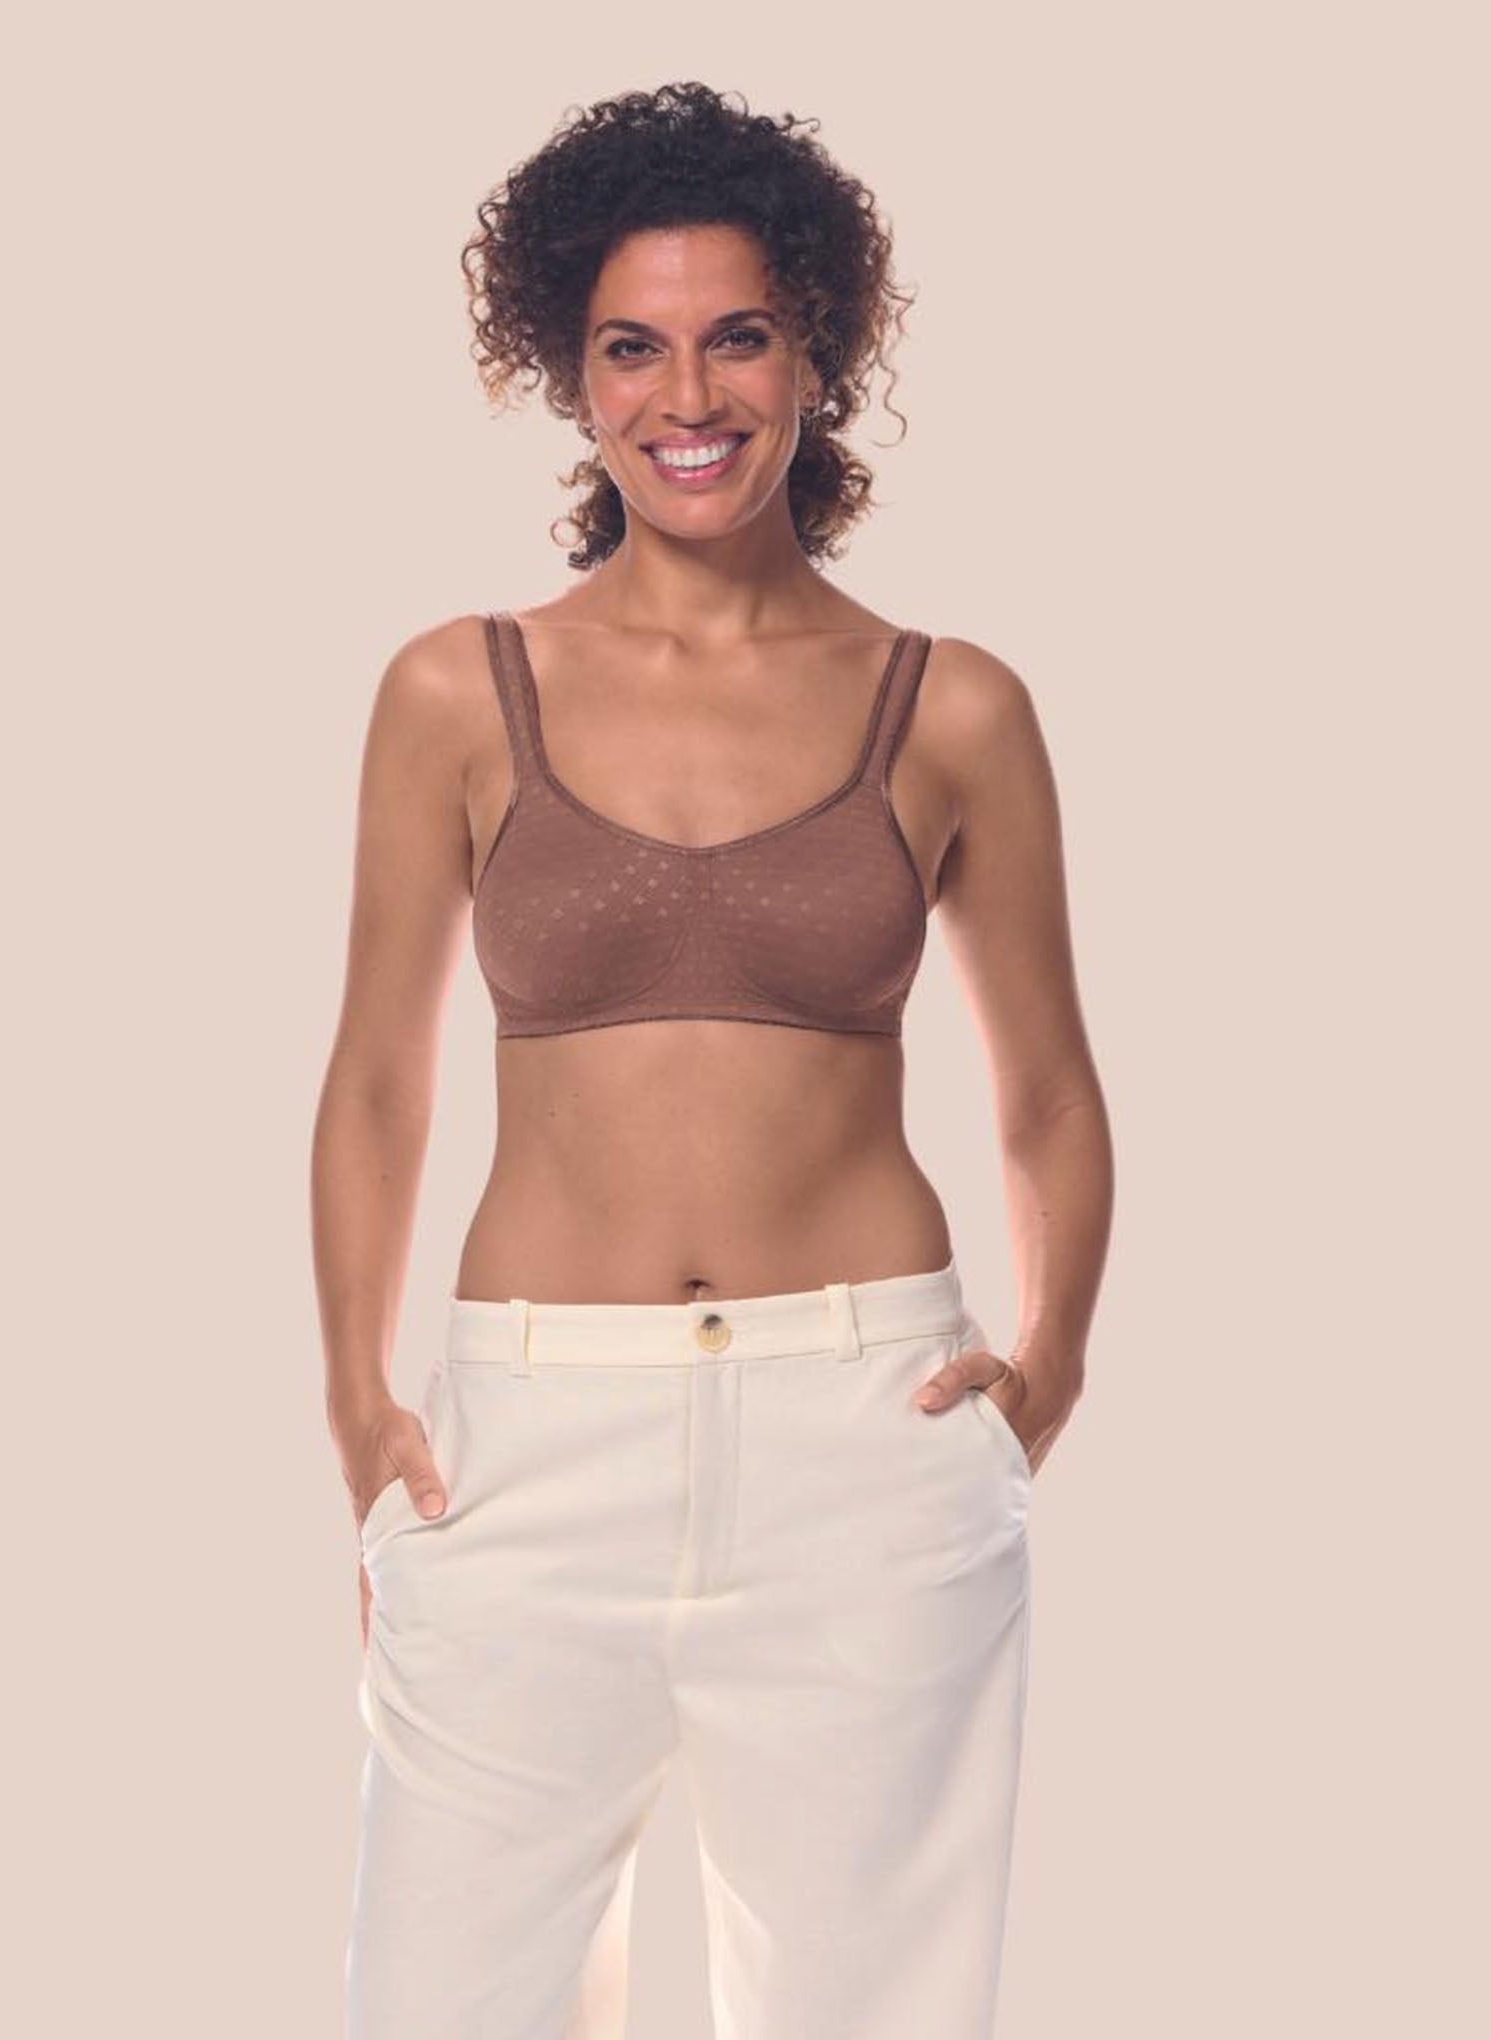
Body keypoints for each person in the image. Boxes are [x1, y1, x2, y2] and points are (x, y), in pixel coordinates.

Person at [313, 80, 1113, 2040]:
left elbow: (1047, 1091)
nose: (690, 395)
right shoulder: (456, 690)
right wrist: (356, 1406)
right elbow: (377, 1078)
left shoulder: (953, 707)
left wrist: (1046, 1373)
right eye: (632, 347)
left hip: (866, 1443)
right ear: (572, 377)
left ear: (817, 352)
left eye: (738, 335)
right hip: (528, 1443)